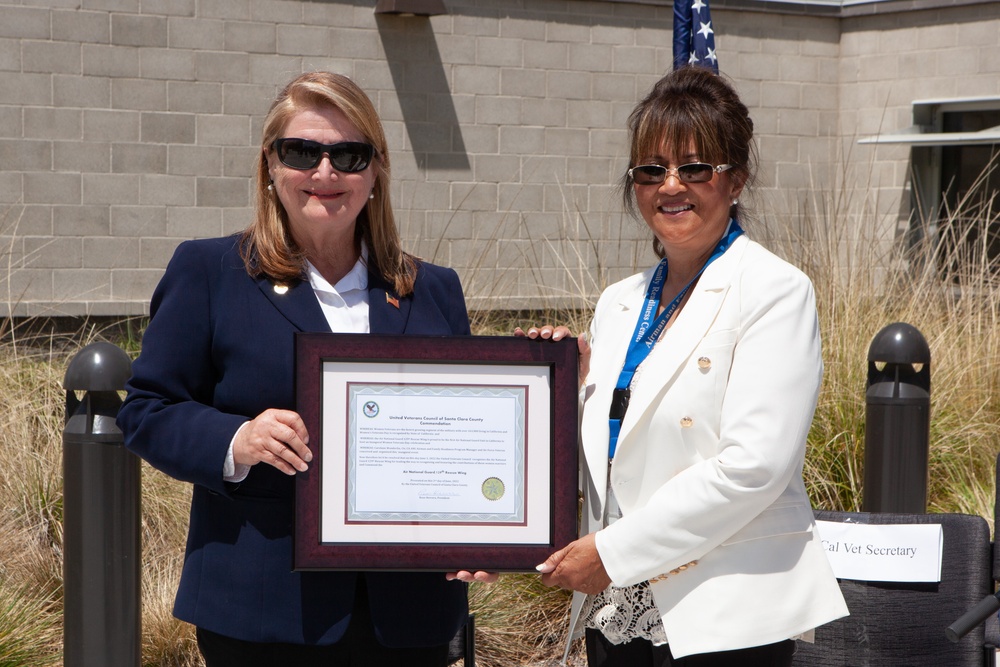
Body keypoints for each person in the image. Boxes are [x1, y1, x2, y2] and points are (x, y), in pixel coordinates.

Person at [117, 71, 477, 667]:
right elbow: (146, 411)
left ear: (377, 169)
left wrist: (484, 530)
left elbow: (463, 437)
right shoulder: (210, 272)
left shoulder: (432, 289)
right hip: (262, 610)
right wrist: (237, 438)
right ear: (270, 165)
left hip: (408, 615)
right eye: (303, 152)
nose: (325, 173)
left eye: (349, 155)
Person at [526, 66, 849, 666]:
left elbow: (753, 467)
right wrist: (564, 391)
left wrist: (615, 553)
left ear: (737, 179)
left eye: (695, 168)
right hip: (615, 611)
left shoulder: (775, 290)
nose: (671, 186)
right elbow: (616, 453)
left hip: (721, 616)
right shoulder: (620, 303)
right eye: (651, 170)